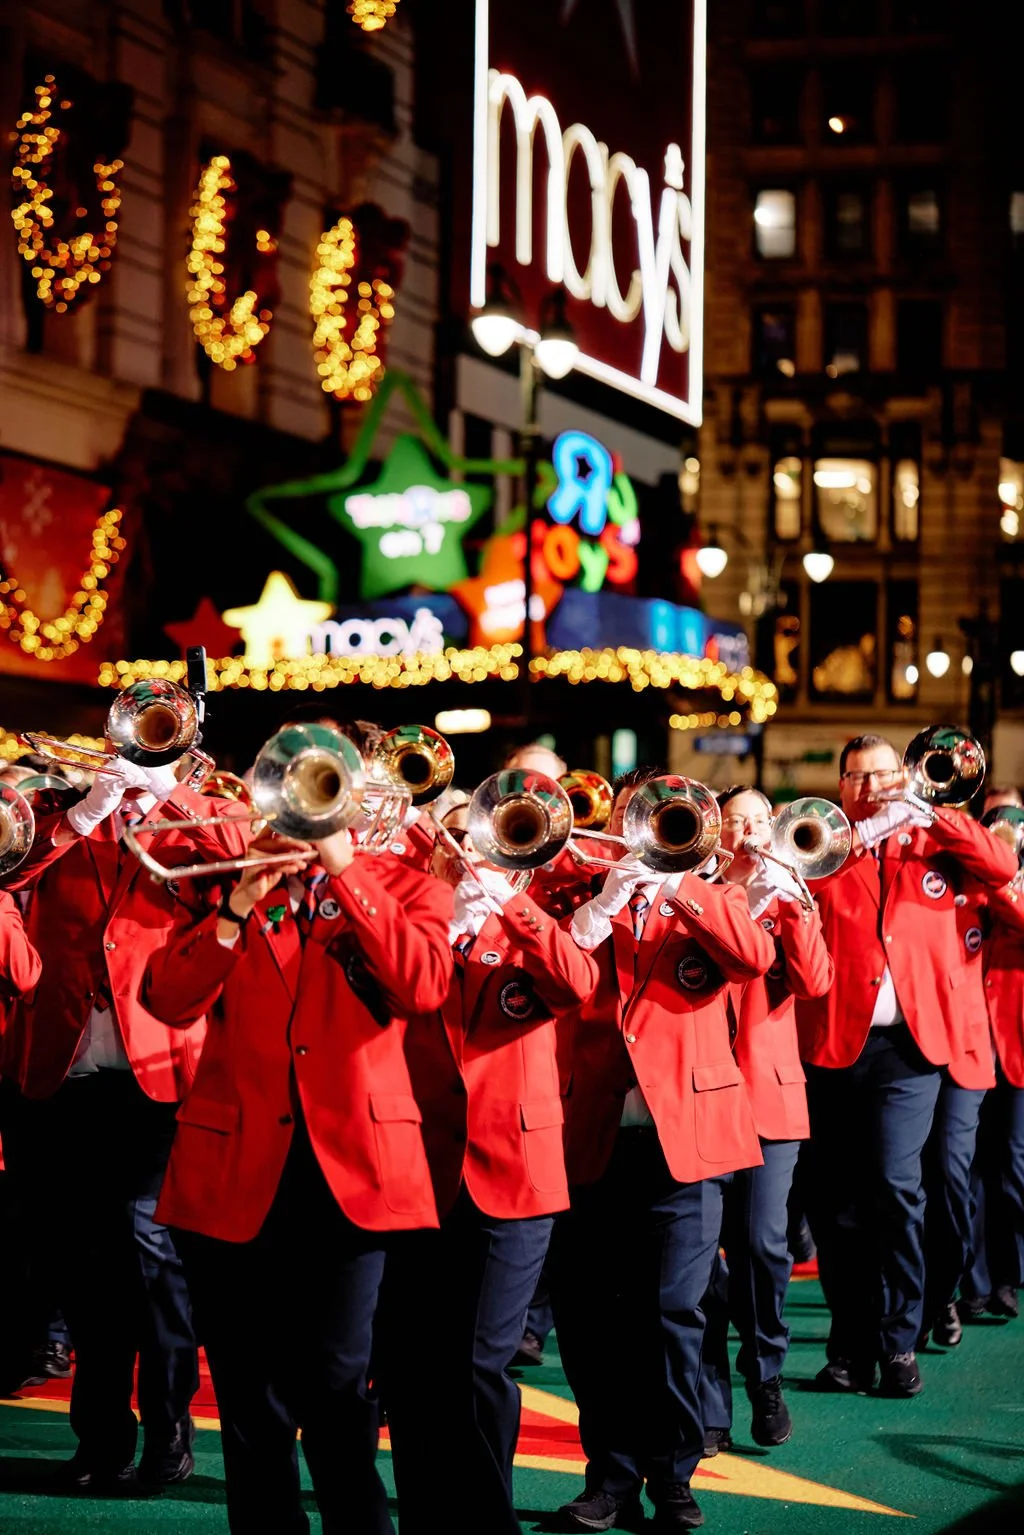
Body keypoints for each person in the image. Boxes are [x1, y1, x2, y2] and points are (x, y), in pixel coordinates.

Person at [142, 720, 453, 1535]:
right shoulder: (229, 883)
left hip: (352, 1176)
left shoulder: (407, 881)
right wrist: (237, 903)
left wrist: (346, 869)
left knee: (339, 1386)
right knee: (249, 1401)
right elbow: (166, 999)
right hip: (234, 1173)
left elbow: (422, 986)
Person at [0, 755, 249, 1491]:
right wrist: (83, 814)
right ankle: (102, 1436)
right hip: (62, 1072)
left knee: (152, 1264)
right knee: (77, 1267)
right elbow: (5, 875)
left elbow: (244, 864)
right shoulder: (57, 816)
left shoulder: (199, 813)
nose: (139, 756)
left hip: (161, 1073)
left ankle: (169, 1428)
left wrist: (173, 795)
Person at [548, 767, 775, 1533]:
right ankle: (609, 1473)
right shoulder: (577, 889)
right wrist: (605, 898)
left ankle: (673, 1472)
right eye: (635, 815)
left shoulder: (717, 895)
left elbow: (753, 958)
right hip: (595, 1131)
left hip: (690, 1141)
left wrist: (681, 881)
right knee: (592, 1316)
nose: (649, 830)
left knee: (675, 1309)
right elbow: (555, 975)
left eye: (665, 818)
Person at [380, 800, 599, 1535]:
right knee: (411, 1367)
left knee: (479, 1363)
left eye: (474, 842)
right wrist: (438, 916)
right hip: (416, 1168)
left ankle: (486, 1521)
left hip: (514, 1169)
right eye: (450, 843)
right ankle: (423, 1518)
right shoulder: (413, 924)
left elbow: (576, 983)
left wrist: (506, 900)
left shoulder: (529, 914)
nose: (465, 856)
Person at [796, 733, 1017, 1398]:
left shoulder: (937, 839)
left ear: (904, 776)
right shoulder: (824, 843)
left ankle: (898, 1341)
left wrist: (930, 809)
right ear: (841, 786)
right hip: (835, 1042)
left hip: (910, 1049)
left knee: (896, 1190)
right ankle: (848, 1344)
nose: (872, 789)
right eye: (859, 777)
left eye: (884, 775)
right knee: (836, 1205)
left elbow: (1001, 866)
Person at [699, 787, 833, 1455]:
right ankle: (711, 1403)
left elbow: (814, 983)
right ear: (715, 830)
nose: (749, 832)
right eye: (736, 821)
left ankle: (767, 1372)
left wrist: (796, 903)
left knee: (761, 1246)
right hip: (699, 1096)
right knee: (700, 1263)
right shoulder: (695, 887)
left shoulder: (788, 897)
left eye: (759, 821)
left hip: (769, 1097)